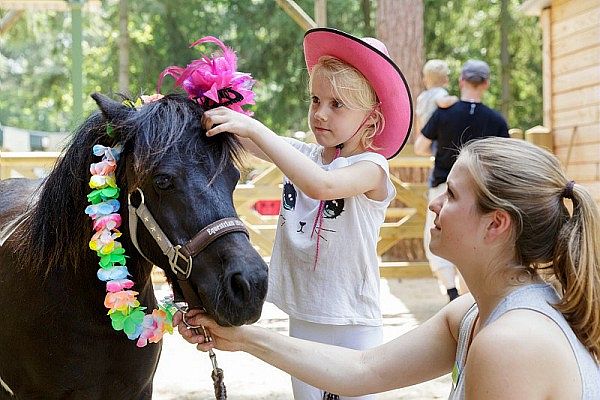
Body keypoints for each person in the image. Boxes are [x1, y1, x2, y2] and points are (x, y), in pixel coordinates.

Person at [176, 137, 600, 399]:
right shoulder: (471, 315)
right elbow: (364, 370)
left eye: (451, 195)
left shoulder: (511, 343)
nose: (434, 203)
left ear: (496, 224)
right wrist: (240, 337)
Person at [199, 27, 412, 400]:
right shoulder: (307, 156)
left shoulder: (372, 167)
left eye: (337, 105)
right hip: (304, 314)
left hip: (350, 320)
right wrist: (208, 108)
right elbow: (243, 138)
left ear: (372, 120)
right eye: (315, 100)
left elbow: (322, 186)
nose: (320, 114)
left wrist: (257, 128)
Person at [414, 59, 509, 302]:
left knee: (436, 235)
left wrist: (440, 149)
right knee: (473, 240)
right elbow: (503, 160)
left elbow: (420, 146)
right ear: (486, 84)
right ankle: (471, 295)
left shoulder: (444, 113)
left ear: (461, 81)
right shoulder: (496, 120)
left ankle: (452, 292)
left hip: (443, 186)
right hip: (479, 191)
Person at [415, 59, 458, 139]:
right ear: (446, 80)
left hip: (423, 135)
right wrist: (455, 99)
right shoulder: (441, 92)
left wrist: (418, 137)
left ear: (425, 80)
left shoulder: (421, 96)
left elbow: (418, 119)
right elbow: (443, 103)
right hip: (434, 134)